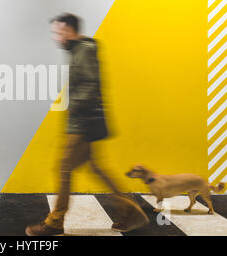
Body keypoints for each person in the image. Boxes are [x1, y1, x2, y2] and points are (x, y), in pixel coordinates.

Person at [25, 13, 149, 236]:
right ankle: (130, 211)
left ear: (72, 31)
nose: (57, 37)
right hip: (81, 120)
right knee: (95, 167)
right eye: (55, 32)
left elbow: (93, 83)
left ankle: (55, 221)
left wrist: (73, 104)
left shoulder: (85, 50)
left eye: (60, 32)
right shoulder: (76, 51)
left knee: (63, 169)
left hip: (82, 121)